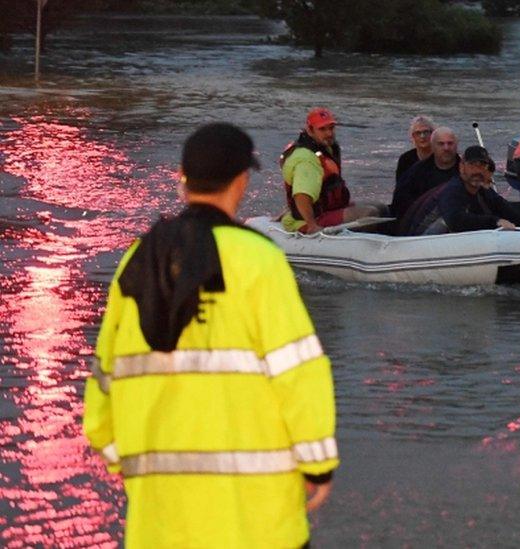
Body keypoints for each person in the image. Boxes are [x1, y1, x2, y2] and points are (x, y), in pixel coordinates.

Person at [83, 123, 339, 548]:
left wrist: (132, 465)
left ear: (182, 179)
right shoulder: (259, 259)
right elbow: (298, 372)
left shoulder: (138, 258)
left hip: (159, 524)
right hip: (256, 523)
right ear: (241, 180)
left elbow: (103, 385)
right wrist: (318, 465)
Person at [280, 107, 382, 233]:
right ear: (310, 130)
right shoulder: (306, 159)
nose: (329, 133)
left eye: (331, 128)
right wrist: (312, 225)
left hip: (328, 210)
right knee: (369, 213)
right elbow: (301, 196)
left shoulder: (326, 148)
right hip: (311, 219)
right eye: (322, 129)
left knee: (381, 207)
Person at [403, 146, 520, 236]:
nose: (477, 171)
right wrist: (495, 221)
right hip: (421, 241)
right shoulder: (453, 190)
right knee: (445, 221)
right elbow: (455, 220)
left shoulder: (484, 192)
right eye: (472, 165)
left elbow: (513, 214)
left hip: (451, 246)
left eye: (481, 165)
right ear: (461, 167)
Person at [390, 126, 460, 219]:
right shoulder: (416, 172)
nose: (446, 148)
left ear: (456, 145)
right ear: (433, 146)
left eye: (450, 143)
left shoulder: (466, 170)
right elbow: (400, 201)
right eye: (441, 144)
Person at [395, 115, 435, 181]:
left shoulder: (441, 157)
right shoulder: (405, 159)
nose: (422, 136)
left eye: (426, 132)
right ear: (413, 136)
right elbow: (400, 188)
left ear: (433, 134)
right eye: (418, 133)